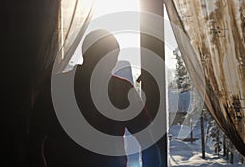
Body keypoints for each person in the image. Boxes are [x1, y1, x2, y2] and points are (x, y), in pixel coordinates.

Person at [29, 29, 160, 167]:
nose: (111, 62)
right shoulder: (121, 90)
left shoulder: (56, 87)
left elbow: (34, 142)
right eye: (110, 57)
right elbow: (148, 143)